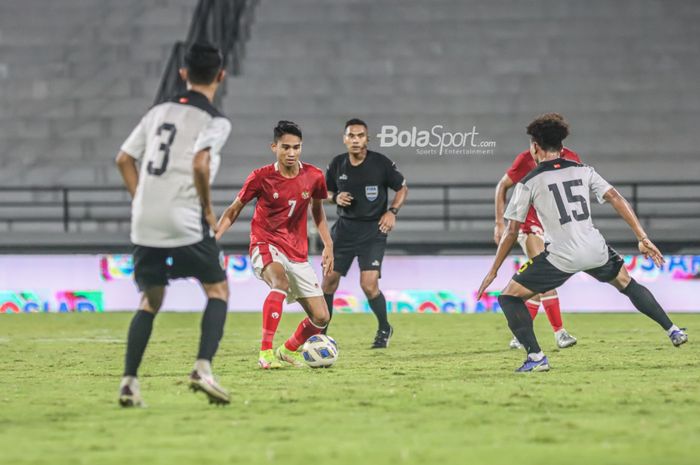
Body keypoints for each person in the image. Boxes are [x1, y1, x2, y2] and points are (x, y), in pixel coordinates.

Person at [477, 113, 688, 372]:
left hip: (560, 257)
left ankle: (536, 357)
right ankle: (673, 330)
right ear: (561, 145)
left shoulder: (529, 182)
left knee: (509, 297)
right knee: (627, 284)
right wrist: (642, 237)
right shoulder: (583, 170)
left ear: (535, 147)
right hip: (595, 249)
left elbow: (511, 232)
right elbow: (615, 197)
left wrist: (493, 270)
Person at [115, 43, 232, 406]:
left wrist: (140, 200)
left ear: (183, 74)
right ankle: (202, 368)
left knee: (150, 299)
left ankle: (129, 383)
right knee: (217, 290)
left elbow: (123, 159)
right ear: (220, 76)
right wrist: (209, 210)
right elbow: (199, 164)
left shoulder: (157, 111)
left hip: (144, 220)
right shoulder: (215, 121)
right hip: (184, 218)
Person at [216, 120, 333, 369]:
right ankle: (265, 352)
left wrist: (328, 244)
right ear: (274, 147)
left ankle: (286, 349)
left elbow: (318, 212)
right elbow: (234, 209)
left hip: (297, 250)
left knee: (322, 317)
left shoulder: (314, 176)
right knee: (279, 282)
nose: (291, 153)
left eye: (296, 147)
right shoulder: (261, 177)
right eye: (285, 147)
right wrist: (214, 237)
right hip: (265, 242)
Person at [321, 118, 408, 348]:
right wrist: (334, 198)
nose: (355, 140)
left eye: (360, 135)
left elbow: (402, 188)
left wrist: (392, 212)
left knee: (368, 285)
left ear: (367, 139)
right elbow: (324, 192)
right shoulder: (337, 164)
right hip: (344, 230)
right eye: (351, 135)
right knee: (328, 282)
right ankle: (321, 335)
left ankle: (384, 328)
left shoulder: (380, 163)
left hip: (373, 230)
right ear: (345, 139)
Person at [494, 135, 579, 350]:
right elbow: (502, 186)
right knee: (544, 276)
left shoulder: (571, 159)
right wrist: (499, 223)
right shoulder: (525, 160)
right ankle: (560, 332)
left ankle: (520, 335)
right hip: (528, 224)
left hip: (552, 226)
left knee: (534, 287)